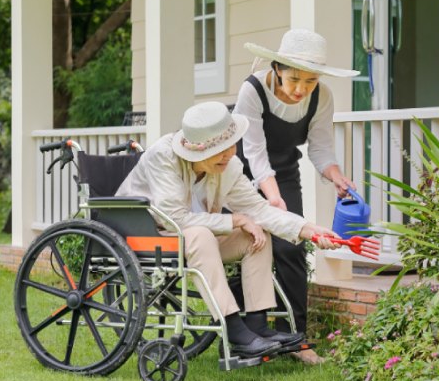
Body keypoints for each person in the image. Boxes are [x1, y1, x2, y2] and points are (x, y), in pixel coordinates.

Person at [116, 101, 340, 359]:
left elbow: (260, 210)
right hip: (149, 233)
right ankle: (234, 330)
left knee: (256, 234)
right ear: (197, 152)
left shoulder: (228, 166)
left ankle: (257, 325)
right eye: (219, 149)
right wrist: (235, 220)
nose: (229, 154)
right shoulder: (163, 156)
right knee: (203, 234)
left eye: (231, 145)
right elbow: (172, 218)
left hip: (194, 237)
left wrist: (310, 230)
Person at [233, 28, 359, 364]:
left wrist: (336, 176)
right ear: (276, 68)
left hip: (285, 172)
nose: (301, 89)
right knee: (252, 244)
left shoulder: (322, 97)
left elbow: (320, 147)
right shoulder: (253, 90)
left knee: (291, 249)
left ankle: (296, 340)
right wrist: (272, 199)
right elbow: (255, 151)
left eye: (311, 81)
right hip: (240, 174)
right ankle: (248, 332)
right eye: (294, 80)